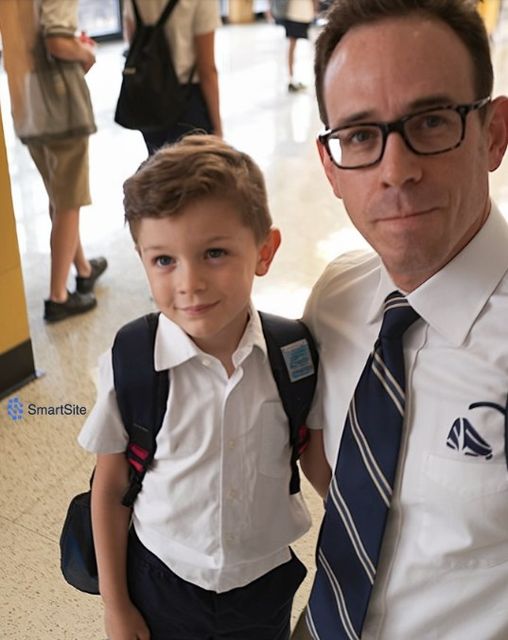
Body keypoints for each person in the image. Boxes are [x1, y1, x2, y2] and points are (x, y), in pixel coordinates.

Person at [294, 0, 508, 638]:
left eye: (433, 121)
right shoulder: (334, 300)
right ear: (331, 166)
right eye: (360, 135)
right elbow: (327, 461)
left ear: (494, 132)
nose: (396, 171)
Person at [78, 135, 312, 640]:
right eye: (164, 260)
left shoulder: (292, 355)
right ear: (141, 259)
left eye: (214, 253)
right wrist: (116, 607)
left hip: (262, 580)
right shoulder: (132, 362)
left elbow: (316, 458)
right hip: (162, 577)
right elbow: (111, 486)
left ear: (264, 251)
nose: (189, 283)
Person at [0, 0, 107, 322]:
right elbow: (57, 42)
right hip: (59, 104)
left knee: (58, 195)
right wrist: (86, 53)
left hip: (25, 100)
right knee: (68, 201)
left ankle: (84, 269)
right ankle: (58, 297)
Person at [123, 0, 222, 155]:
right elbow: (207, 69)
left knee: (159, 165)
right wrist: (218, 128)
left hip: (148, 92)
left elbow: (132, 37)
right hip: (187, 98)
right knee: (192, 171)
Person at [282, 0, 318, 93]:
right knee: (310, 48)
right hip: (303, 14)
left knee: (292, 46)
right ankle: (293, 78)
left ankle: (291, 78)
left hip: (292, 14)